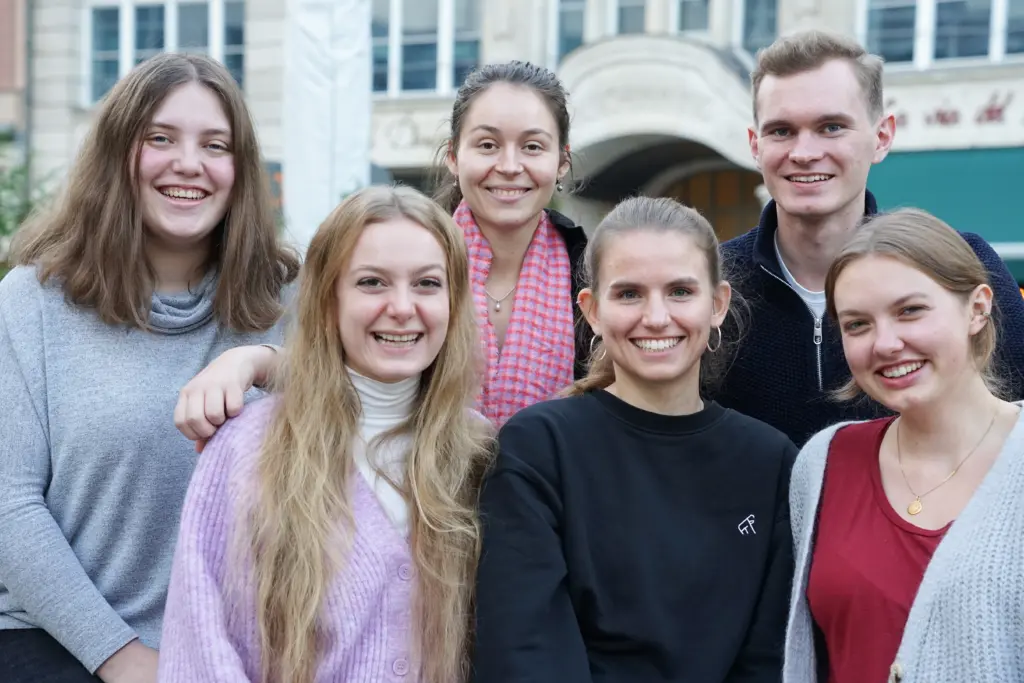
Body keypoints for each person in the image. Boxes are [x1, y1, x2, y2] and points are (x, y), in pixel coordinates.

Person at [0, 54, 299, 682]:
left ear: (239, 171)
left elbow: (367, 401)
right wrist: (127, 660)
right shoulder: (31, 303)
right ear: (116, 154)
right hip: (60, 644)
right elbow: (10, 506)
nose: (188, 163)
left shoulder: (288, 302)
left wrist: (261, 361)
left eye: (214, 145)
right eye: (159, 138)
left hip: (243, 655)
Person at [158, 185, 492, 683]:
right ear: (328, 298)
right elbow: (200, 641)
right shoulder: (249, 447)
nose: (402, 307)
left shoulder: (479, 453)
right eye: (372, 283)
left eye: (426, 284)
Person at [171, 61, 589, 445]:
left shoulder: (589, 274)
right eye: (487, 145)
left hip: (547, 511)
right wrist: (248, 361)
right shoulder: (405, 253)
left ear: (562, 162)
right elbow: (335, 363)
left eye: (533, 147)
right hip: (410, 496)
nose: (510, 165)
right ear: (453, 156)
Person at [471, 196, 797, 683]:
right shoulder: (539, 448)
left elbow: (769, 658)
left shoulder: (769, 463)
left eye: (681, 291)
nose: (657, 317)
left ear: (718, 304)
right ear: (592, 310)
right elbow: (524, 650)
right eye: (629, 294)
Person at [716, 30, 1024, 447]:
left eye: (831, 127)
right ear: (756, 145)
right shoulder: (713, 285)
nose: (804, 152)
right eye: (782, 131)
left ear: (882, 137)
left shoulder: (959, 267)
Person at [784, 208, 1024, 683]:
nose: (886, 344)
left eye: (909, 311)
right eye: (857, 325)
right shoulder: (823, 464)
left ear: (977, 308)